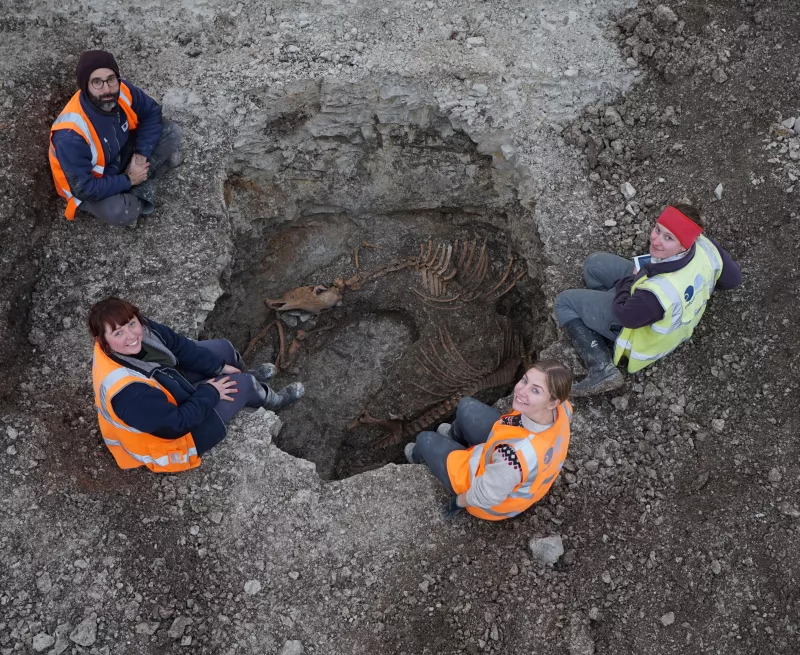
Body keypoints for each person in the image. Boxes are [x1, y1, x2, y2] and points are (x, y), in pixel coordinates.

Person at [88, 297, 305, 473]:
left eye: (131, 324)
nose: (131, 336)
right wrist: (209, 391)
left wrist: (220, 367)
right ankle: (273, 400)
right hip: (172, 442)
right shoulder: (129, 393)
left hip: (167, 385)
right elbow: (177, 424)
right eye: (118, 333)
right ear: (103, 341)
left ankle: (243, 377)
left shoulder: (141, 328)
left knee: (225, 349)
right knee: (244, 384)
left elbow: (179, 346)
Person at [554, 204, 742, 396]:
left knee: (564, 302)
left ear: (684, 245)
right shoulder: (704, 245)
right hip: (646, 295)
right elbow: (733, 279)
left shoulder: (659, 293)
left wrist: (629, 283)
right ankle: (600, 321)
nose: (655, 240)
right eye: (658, 229)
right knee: (595, 264)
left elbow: (627, 315)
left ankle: (602, 369)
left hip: (639, 329)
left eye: (668, 238)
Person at [404, 360, 573, 521]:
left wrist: (457, 503)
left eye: (535, 390)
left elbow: (485, 494)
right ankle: (455, 437)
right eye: (524, 380)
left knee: (424, 439)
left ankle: (416, 456)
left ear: (552, 403)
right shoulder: (563, 409)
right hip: (506, 446)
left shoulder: (514, 458)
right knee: (466, 406)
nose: (521, 391)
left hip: (490, 493)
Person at [49, 50, 182, 226]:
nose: (107, 89)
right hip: (95, 182)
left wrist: (141, 154)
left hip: (120, 152)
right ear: (85, 85)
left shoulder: (123, 90)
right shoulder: (71, 135)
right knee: (121, 211)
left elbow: (151, 112)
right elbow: (84, 188)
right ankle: (145, 179)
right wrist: (128, 179)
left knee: (172, 131)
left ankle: (141, 178)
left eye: (111, 79)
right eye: (97, 82)